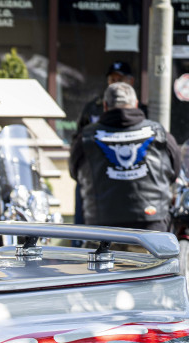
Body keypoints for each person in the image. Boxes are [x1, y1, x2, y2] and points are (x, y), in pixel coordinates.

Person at [69, 81, 180, 232]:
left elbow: (74, 172)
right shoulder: (160, 134)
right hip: (152, 229)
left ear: (106, 107)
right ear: (135, 104)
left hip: (102, 231)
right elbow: (175, 172)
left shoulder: (86, 138)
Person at [74, 61, 142, 223]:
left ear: (131, 81)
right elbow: (77, 144)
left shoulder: (141, 112)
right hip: (98, 171)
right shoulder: (93, 108)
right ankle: (78, 239)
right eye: (112, 79)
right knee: (82, 188)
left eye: (120, 79)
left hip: (132, 172)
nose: (115, 83)